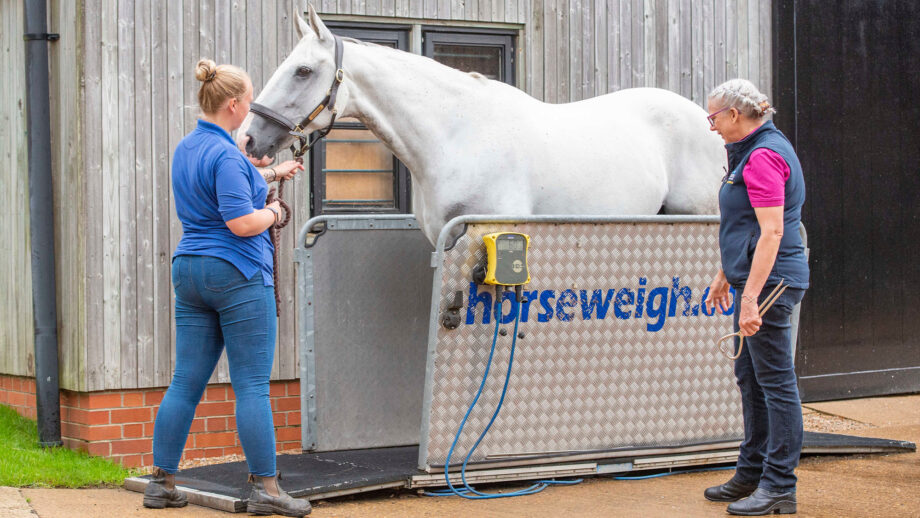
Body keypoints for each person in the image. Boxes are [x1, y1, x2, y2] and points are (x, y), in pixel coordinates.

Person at [142, 59, 309, 517]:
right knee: (252, 385)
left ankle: (161, 482)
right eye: (250, 99)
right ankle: (268, 492)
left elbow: (228, 185)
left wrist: (272, 174)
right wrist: (276, 213)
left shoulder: (188, 147)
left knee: (185, 381)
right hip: (236, 272)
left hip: (190, 270)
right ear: (234, 105)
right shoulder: (227, 156)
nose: (252, 106)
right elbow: (240, 222)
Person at [702, 79, 810, 516]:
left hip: (771, 283)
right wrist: (725, 274)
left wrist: (750, 298)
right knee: (751, 379)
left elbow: (772, 232)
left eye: (712, 118)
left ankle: (780, 484)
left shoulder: (763, 156)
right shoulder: (751, 150)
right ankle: (751, 473)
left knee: (776, 385)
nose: (710, 127)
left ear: (734, 115)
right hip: (754, 279)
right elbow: (746, 224)